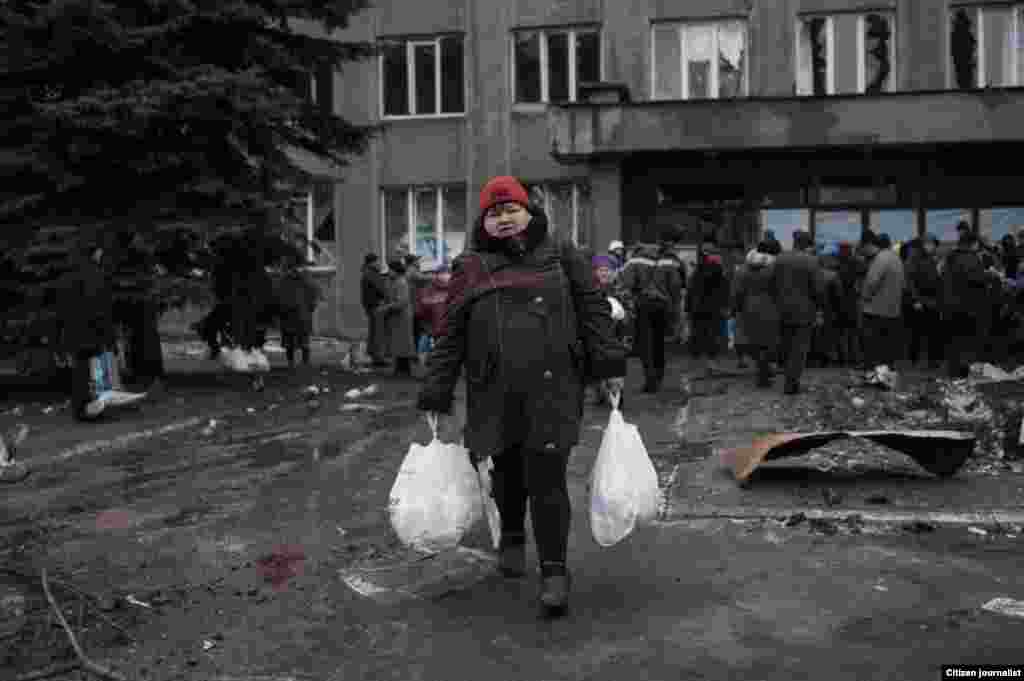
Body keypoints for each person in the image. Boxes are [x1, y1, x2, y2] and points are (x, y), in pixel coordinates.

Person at [417, 176, 627, 617]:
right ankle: (512, 536)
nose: (504, 218)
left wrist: (608, 368)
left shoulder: (561, 254)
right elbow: (451, 330)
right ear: (484, 222)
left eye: (510, 209)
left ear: (528, 211)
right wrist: (437, 390)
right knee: (507, 473)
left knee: (547, 478)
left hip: (554, 386)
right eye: (494, 213)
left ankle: (554, 572)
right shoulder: (471, 264)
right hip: (493, 389)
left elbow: (593, 310)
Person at [618, 239, 683, 392]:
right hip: (663, 306)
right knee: (659, 342)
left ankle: (650, 380)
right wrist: (674, 307)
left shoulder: (635, 261)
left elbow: (625, 283)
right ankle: (659, 376)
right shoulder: (668, 261)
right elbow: (676, 285)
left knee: (645, 344)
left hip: (643, 305)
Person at [63, 242, 118, 421]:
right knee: (98, 373)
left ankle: (80, 410)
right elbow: (100, 307)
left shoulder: (70, 274)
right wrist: (109, 336)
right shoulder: (97, 275)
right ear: (95, 253)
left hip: (74, 331)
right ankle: (95, 410)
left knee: (79, 373)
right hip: (93, 331)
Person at [773, 230, 824, 395]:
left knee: (786, 346)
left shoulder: (780, 258)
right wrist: (819, 309)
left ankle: (787, 378)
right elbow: (818, 289)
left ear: (794, 242)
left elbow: (772, 283)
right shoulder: (812, 261)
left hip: (782, 310)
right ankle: (792, 383)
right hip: (804, 312)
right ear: (807, 245)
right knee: (799, 348)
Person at [943, 225, 993, 378]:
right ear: (973, 244)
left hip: (951, 306)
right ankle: (962, 374)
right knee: (966, 344)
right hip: (967, 308)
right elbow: (977, 281)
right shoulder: (971, 258)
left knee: (954, 342)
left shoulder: (951, 257)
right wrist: (988, 276)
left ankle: (953, 372)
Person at [733, 244, 779, 387]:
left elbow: (737, 293)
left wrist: (736, 309)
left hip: (749, 309)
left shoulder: (742, 271)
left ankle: (761, 368)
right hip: (771, 308)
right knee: (768, 341)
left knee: (754, 341)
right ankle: (765, 368)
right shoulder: (772, 271)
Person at [860, 230, 905, 373]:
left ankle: (874, 378)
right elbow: (903, 284)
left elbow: (871, 282)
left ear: (869, 245)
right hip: (893, 311)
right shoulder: (896, 258)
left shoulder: (880, 259)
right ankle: (886, 378)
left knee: (873, 350)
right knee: (887, 351)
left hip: (875, 311)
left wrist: (864, 297)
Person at [687, 252, 731, 377]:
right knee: (713, 336)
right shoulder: (721, 276)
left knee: (698, 335)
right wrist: (725, 307)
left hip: (698, 309)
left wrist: (688, 308)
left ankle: (696, 365)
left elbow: (690, 292)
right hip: (714, 310)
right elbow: (725, 292)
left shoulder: (696, 274)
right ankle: (711, 363)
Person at [904, 234, 944, 369]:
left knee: (933, 332)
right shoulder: (914, 258)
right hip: (920, 301)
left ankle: (932, 360)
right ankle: (913, 360)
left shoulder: (933, 258)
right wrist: (915, 299)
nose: (931, 246)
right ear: (923, 244)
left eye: (933, 244)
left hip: (932, 301)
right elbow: (909, 281)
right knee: (917, 332)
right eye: (929, 244)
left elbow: (936, 279)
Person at [378, 259, 417, 377]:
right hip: (396, 317)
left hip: (402, 317)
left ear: (396, 271)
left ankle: (404, 370)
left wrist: (386, 307)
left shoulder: (401, 282)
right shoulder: (393, 281)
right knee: (398, 344)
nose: (389, 272)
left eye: (391, 270)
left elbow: (402, 302)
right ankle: (400, 369)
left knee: (402, 344)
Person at [360, 254, 391, 366]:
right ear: (371, 262)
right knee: (378, 333)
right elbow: (382, 288)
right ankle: (378, 358)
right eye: (377, 261)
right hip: (376, 306)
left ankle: (375, 356)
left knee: (374, 332)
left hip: (371, 306)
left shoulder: (368, 272)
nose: (379, 264)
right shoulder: (371, 274)